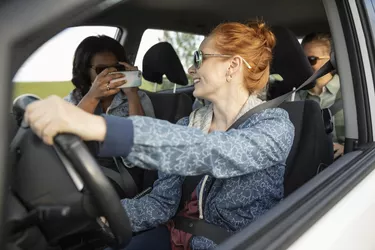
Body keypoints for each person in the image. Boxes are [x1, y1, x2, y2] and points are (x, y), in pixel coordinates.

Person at [25, 21, 295, 250]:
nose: (191, 69)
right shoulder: (188, 124)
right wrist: (100, 215)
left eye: (200, 58)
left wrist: (99, 126)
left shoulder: (274, 125)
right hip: (175, 236)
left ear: (232, 66)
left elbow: (212, 151)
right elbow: (162, 203)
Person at [64, 35, 155, 118]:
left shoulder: (139, 97)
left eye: (116, 67)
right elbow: (67, 133)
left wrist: (132, 95)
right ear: (85, 71)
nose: (111, 74)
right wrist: (93, 97)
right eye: (102, 69)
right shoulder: (73, 100)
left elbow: (144, 134)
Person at [295, 32, 344, 159]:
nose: (305, 65)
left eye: (312, 60)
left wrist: (347, 148)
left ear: (331, 60)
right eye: (302, 60)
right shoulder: (295, 96)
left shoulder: (353, 93)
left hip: (346, 163)